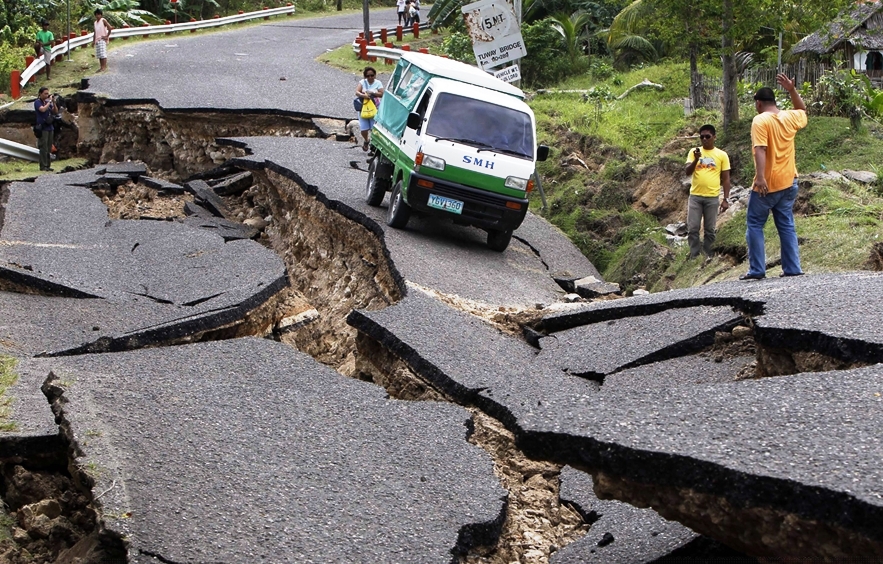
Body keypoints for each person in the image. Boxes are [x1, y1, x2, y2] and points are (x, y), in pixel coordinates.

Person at [740, 74, 808, 280]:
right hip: (790, 182)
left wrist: (760, 178)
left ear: (758, 103)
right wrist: (792, 90)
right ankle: (792, 268)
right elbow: (802, 110)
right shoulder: (789, 116)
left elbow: (760, 148)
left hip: (769, 183)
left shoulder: (760, 120)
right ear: (774, 102)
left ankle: (757, 269)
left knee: (754, 223)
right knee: (786, 224)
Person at [684, 124, 730, 260]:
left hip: (712, 197)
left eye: (707, 136)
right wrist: (697, 159)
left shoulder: (722, 155)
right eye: (702, 137)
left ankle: (708, 254)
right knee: (693, 228)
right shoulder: (694, 152)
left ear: (714, 137)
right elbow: (687, 171)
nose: (704, 139)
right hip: (695, 197)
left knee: (710, 229)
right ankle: (694, 255)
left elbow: (726, 179)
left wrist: (726, 199)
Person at [356, 66, 383, 152]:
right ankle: (366, 140)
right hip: (364, 108)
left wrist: (373, 93)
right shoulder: (362, 82)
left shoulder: (378, 83)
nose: (370, 77)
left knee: (373, 129)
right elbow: (357, 92)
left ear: (375, 75)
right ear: (365, 77)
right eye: (368, 76)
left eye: (372, 75)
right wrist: (362, 95)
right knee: (364, 129)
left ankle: (373, 147)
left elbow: (382, 93)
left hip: (374, 108)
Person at [34, 87, 56, 172]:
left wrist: (53, 102)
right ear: (40, 94)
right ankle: (43, 166)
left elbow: (55, 111)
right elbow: (42, 109)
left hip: (50, 127)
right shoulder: (37, 102)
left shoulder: (47, 102)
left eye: (48, 93)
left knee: (49, 146)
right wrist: (49, 102)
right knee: (43, 147)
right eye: (45, 93)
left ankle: (48, 165)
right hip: (42, 128)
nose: (47, 95)